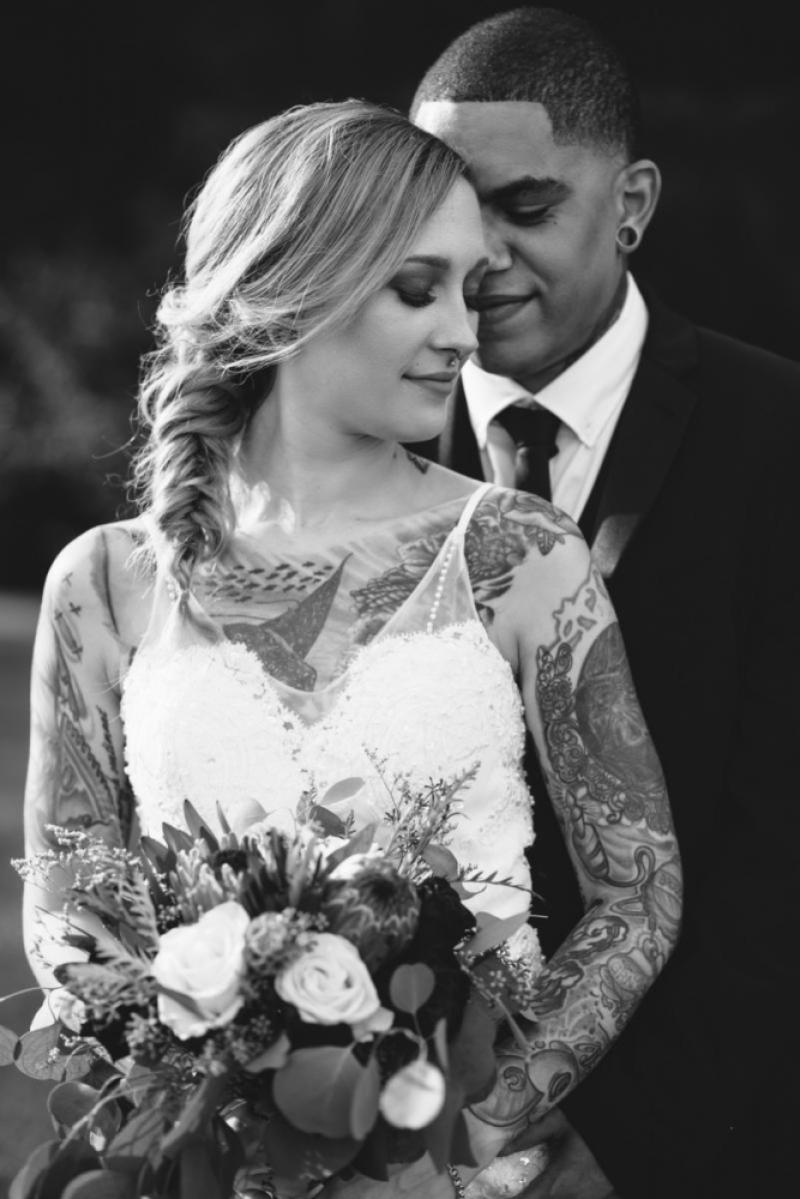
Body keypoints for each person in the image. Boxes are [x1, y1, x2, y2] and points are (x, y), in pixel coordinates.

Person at [21, 100, 681, 1199]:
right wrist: (196, 1101)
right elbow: (67, 904)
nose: (463, 334)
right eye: (418, 290)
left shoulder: (518, 553)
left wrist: (471, 1126)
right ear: (294, 285)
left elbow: (639, 893)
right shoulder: (104, 583)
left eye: (469, 291)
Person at [409, 7, 800, 1198]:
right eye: (444, 211)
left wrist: (632, 1136)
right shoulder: (355, 443)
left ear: (630, 203)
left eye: (524, 207)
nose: (478, 257)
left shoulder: (773, 440)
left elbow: (777, 843)